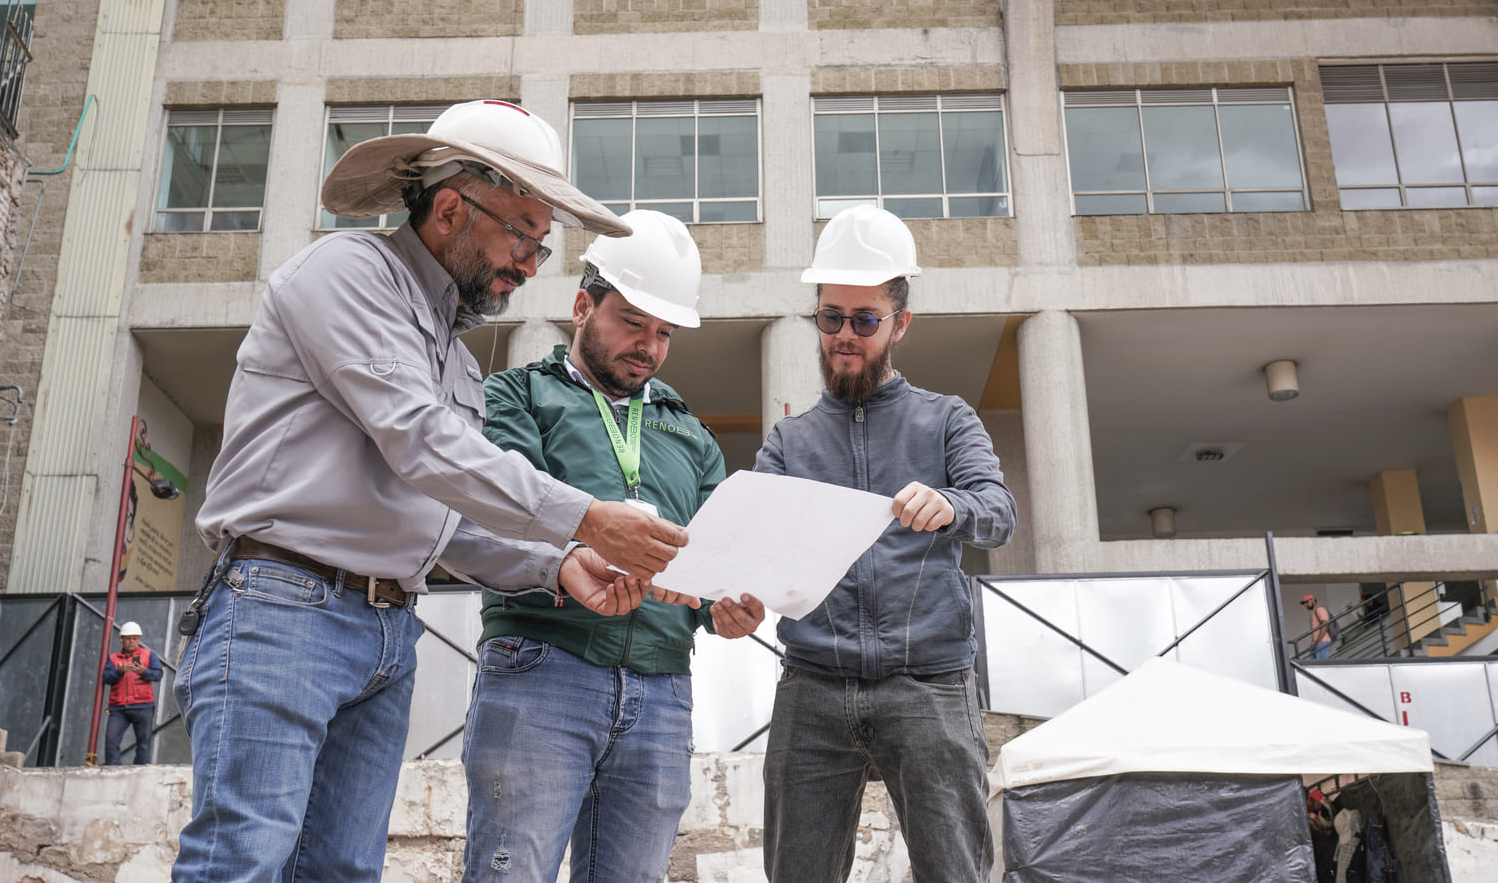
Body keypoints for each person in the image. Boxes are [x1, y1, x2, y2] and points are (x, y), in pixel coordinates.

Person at [173, 100, 690, 883]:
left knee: (342, 868)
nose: (528, 264)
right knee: (241, 859)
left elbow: (443, 514)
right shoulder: (345, 274)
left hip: (385, 630)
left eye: (541, 247)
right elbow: (420, 440)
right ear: (451, 208)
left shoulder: (454, 359)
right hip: (282, 607)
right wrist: (585, 517)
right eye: (522, 235)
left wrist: (560, 564)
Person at [461, 209, 766, 882]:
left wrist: (726, 607)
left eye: (664, 333)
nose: (649, 346)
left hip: (663, 685)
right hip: (543, 664)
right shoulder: (514, 395)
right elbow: (503, 513)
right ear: (581, 306)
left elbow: (718, 563)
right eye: (632, 322)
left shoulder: (693, 436)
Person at [755, 205, 1018, 882]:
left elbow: (998, 510)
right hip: (812, 684)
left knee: (953, 871)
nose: (845, 335)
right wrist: (736, 595)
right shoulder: (788, 443)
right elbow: (756, 547)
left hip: (928, 682)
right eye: (830, 317)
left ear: (900, 323)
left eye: (864, 320)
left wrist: (950, 503)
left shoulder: (947, 418)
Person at [100, 621, 162, 765]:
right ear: (121, 640)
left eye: (134, 638)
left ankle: (140, 772)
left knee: (144, 743)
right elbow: (106, 677)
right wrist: (119, 671)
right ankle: (113, 772)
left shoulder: (149, 655)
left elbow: (158, 675)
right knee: (111, 740)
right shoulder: (113, 658)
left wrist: (144, 672)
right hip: (118, 708)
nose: (131, 641)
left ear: (139, 639)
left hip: (143, 706)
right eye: (128, 638)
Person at [1303, 593, 1333, 659]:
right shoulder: (1314, 612)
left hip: (1322, 642)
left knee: (1322, 666)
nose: (1306, 605)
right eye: (1304, 603)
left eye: (1307, 602)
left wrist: (1319, 640)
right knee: (1314, 666)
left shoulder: (1320, 610)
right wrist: (1314, 641)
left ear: (1313, 600)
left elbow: (1325, 624)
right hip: (1316, 643)